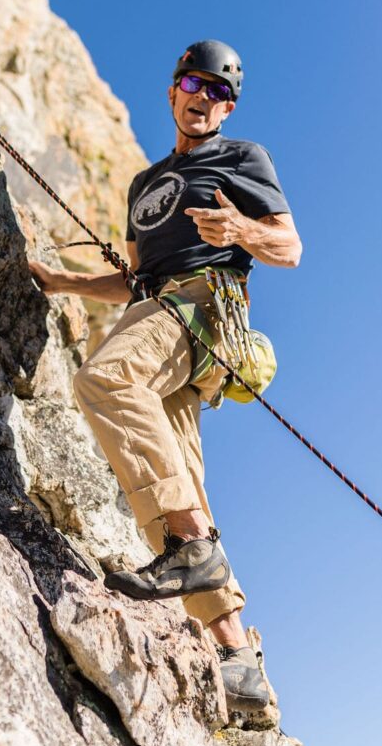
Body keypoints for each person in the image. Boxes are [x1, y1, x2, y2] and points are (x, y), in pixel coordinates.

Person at [30, 40, 302, 711]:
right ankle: (238, 661)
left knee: (105, 381)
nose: (202, 97)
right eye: (192, 83)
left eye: (216, 91)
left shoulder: (241, 159)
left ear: (227, 106)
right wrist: (63, 281)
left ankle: (194, 552)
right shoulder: (142, 186)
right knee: (182, 486)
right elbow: (132, 282)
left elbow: (288, 248)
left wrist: (238, 227)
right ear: (173, 90)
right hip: (159, 309)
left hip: (205, 303)